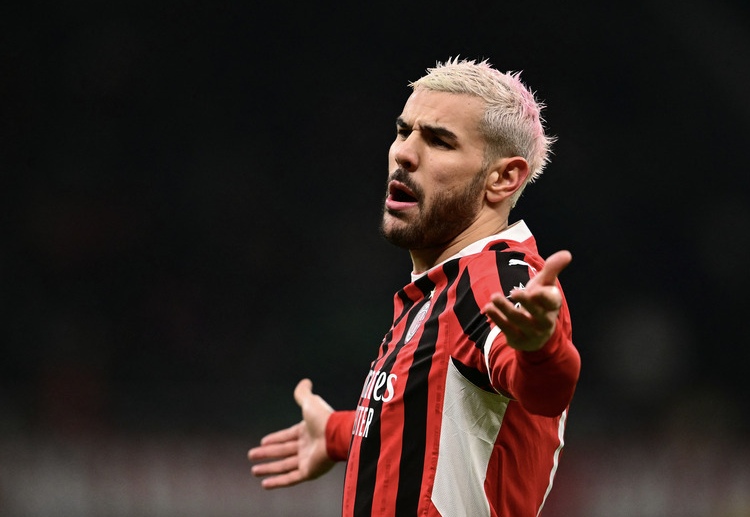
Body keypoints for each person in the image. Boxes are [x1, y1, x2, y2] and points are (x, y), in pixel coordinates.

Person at [248, 57, 581, 517]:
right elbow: (431, 413)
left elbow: (544, 391)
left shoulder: (496, 277)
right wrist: (340, 432)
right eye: (404, 132)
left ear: (503, 178)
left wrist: (542, 349)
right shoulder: (443, 287)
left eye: (440, 141)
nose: (404, 154)